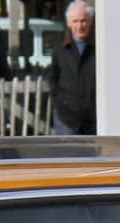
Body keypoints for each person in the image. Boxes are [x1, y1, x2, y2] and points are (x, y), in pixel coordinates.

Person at [46, 1, 95, 135]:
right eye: (75, 21)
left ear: (90, 21)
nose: (79, 26)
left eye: (83, 21)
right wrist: (60, 101)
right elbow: (52, 78)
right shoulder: (59, 47)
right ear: (68, 23)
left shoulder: (99, 47)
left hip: (93, 119)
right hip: (66, 119)